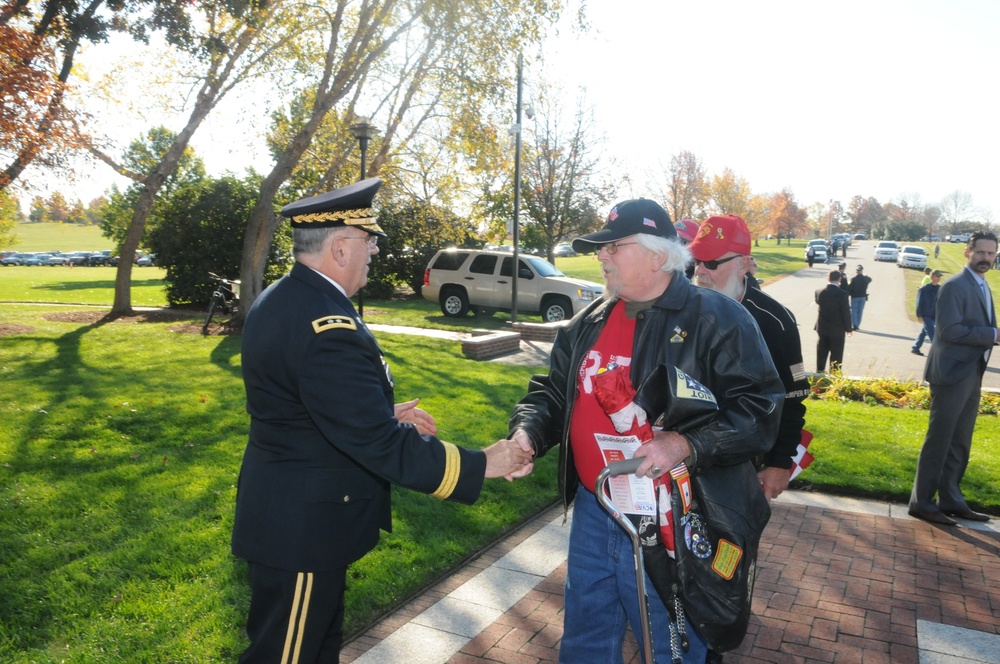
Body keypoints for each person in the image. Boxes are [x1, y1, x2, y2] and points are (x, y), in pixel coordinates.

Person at [231, 178, 532, 662]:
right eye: (368, 240)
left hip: (296, 517)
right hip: (303, 532)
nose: (374, 250)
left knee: (313, 650)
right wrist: (481, 463)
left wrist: (378, 412)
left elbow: (304, 403)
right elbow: (376, 443)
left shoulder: (294, 299)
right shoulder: (325, 323)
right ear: (340, 248)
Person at [505, 198, 785, 663]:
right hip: (599, 508)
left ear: (659, 255)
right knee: (585, 641)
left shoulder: (717, 319)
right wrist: (527, 434)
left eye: (615, 246)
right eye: (602, 248)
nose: (602, 256)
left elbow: (760, 410)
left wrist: (684, 443)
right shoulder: (590, 319)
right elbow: (552, 394)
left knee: (669, 646)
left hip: (675, 515)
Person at [688, 214, 809, 502]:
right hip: (680, 452)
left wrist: (780, 463)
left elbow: (793, 398)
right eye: (697, 261)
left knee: (731, 543)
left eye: (713, 262)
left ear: (743, 264)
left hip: (741, 461)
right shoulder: (681, 307)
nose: (701, 271)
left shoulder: (775, 321)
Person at [909, 232, 998, 526]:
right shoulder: (954, 285)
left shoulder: (982, 285)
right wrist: (993, 335)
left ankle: (950, 498)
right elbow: (949, 331)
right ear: (967, 252)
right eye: (981, 252)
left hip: (971, 371)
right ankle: (922, 502)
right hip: (950, 373)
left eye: (991, 253)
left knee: (960, 440)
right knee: (940, 439)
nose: (986, 258)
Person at [815, 269, 853, 372]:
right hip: (837, 329)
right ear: (839, 279)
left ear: (828, 278)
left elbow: (818, 303)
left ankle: (819, 372)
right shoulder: (843, 294)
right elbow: (845, 312)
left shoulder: (819, 292)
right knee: (836, 354)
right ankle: (834, 375)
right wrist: (849, 328)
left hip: (822, 327)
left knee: (821, 352)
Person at [911, 270, 943, 356]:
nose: (938, 278)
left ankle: (915, 347)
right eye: (937, 276)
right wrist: (919, 315)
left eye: (939, 276)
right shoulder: (924, 288)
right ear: (931, 276)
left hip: (934, 314)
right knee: (932, 332)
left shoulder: (940, 289)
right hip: (926, 315)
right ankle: (937, 351)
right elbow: (919, 302)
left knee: (924, 332)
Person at [848, 264, 872, 330]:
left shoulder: (853, 279)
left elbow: (849, 288)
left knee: (854, 311)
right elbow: (870, 279)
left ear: (856, 271)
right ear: (861, 271)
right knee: (860, 311)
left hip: (855, 297)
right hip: (863, 297)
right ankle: (857, 325)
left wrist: (849, 294)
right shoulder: (866, 279)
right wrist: (866, 275)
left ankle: (855, 324)